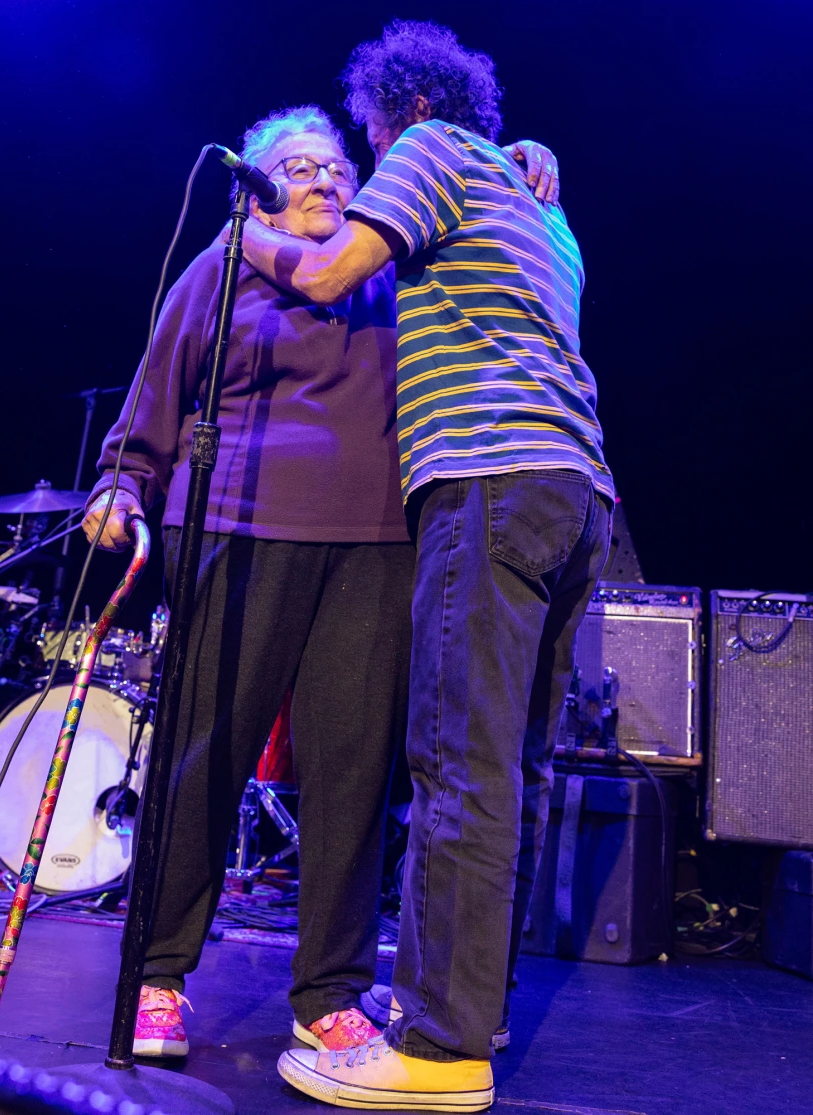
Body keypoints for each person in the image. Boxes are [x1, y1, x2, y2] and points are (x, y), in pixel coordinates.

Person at [83, 102, 561, 1062]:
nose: (323, 179)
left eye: (337, 165)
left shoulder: (396, 270)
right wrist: (123, 481)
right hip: (237, 524)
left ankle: (331, 992)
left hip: (379, 544)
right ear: (257, 185)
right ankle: (159, 976)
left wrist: (527, 154)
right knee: (204, 757)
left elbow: (479, 217)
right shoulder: (220, 268)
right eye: (297, 165)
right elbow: (157, 388)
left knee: (351, 774)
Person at [241, 22, 615, 1111]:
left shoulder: (432, 153)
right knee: (516, 768)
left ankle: (445, 1053)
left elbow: (324, 271)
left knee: (457, 761)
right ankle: (475, 1006)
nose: (360, 155)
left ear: (389, 112)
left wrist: (246, 237)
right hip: (576, 491)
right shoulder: (544, 206)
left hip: (488, 475)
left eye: (361, 135)